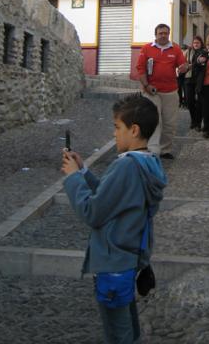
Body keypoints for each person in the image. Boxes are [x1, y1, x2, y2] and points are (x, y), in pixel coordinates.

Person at [61, 94, 167, 344]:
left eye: (117, 127)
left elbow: (92, 211)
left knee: (118, 333)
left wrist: (73, 178)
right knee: (127, 325)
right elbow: (111, 196)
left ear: (134, 130)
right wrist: (83, 171)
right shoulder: (148, 163)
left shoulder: (126, 166)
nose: (114, 133)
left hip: (114, 260)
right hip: (129, 257)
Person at [136, 24, 189, 159]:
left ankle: (165, 150)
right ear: (156, 34)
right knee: (153, 121)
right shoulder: (146, 48)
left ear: (169, 34)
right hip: (151, 91)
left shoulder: (175, 49)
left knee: (169, 123)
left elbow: (183, 64)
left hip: (170, 92)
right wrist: (146, 85)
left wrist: (184, 67)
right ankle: (152, 150)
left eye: (166, 33)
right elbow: (140, 68)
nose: (163, 35)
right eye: (160, 33)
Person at [183, 36, 206, 131]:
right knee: (189, 101)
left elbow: (202, 64)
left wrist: (192, 65)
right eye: (194, 43)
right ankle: (193, 120)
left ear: (201, 44)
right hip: (189, 78)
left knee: (199, 102)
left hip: (199, 80)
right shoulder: (188, 52)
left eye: (198, 43)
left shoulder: (203, 52)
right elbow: (183, 62)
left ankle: (198, 123)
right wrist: (185, 66)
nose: (196, 44)